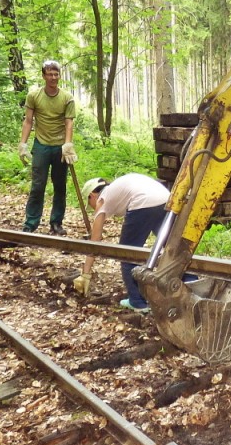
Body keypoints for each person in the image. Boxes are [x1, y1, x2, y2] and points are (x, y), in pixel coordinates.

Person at [72, 174, 171, 313]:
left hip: (143, 202)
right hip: (166, 199)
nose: (93, 208)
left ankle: (137, 302)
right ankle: (191, 281)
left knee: (126, 253)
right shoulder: (116, 189)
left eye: (91, 205)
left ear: (92, 195)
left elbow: (95, 243)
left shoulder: (102, 199)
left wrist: (85, 274)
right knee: (172, 248)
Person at [18, 60, 77, 235]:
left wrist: (67, 144)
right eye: (49, 74)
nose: (53, 77)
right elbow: (28, 121)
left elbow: (69, 123)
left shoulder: (67, 98)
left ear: (59, 76)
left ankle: (56, 223)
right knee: (37, 186)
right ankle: (30, 223)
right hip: (41, 145)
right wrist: (23, 143)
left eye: (56, 74)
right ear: (43, 76)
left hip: (59, 147)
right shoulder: (34, 96)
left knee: (60, 186)